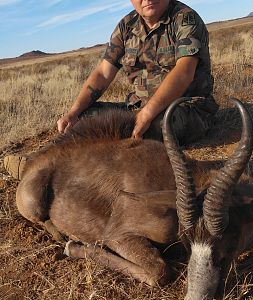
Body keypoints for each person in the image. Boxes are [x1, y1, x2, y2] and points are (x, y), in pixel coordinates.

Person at [4, 0, 218, 180]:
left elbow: (184, 72)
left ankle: (69, 170)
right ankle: (38, 162)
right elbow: (103, 73)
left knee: (146, 128)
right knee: (83, 120)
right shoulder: (126, 26)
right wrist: (73, 112)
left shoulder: (185, 18)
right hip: (138, 108)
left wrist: (147, 113)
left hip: (188, 108)